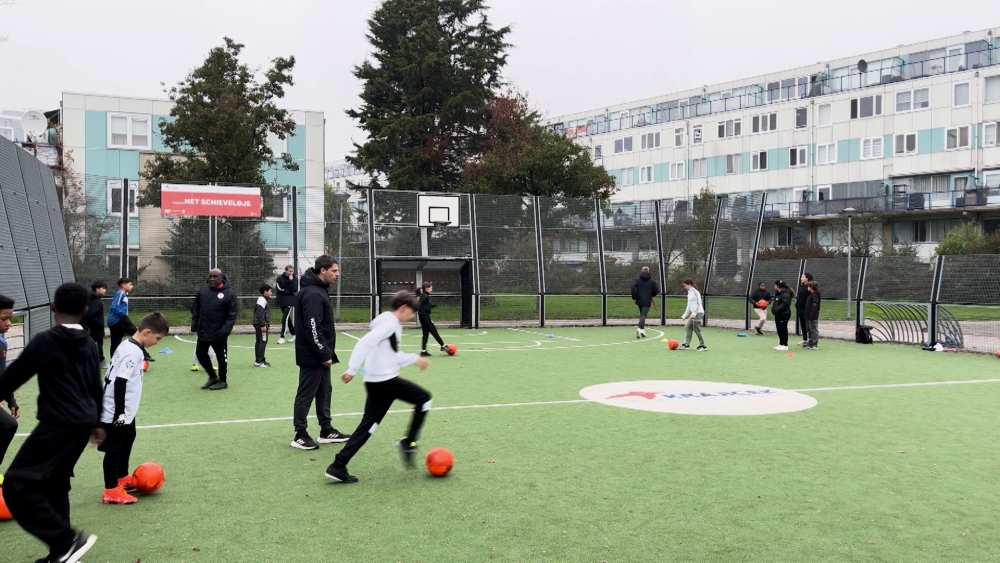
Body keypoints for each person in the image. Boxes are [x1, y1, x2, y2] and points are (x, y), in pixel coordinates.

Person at [0, 283, 103, 563]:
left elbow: (12, 378)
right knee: (55, 484)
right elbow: (96, 386)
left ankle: (67, 540)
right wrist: (98, 423)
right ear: (84, 310)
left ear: (53, 307)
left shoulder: (46, 341)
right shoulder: (89, 341)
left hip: (58, 425)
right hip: (82, 425)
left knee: (16, 485)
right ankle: (63, 554)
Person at [326, 291, 432, 484]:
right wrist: (352, 368)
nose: (410, 318)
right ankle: (408, 442)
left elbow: (391, 355)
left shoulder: (386, 323)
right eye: (410, 314)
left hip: (375, 381)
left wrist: (414, 359)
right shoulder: (390, 324)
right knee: (424, 399)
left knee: (368, 426)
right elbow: (365, 343)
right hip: (385, 381)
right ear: (403, 308)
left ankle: (338, 465)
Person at [99, 313, 169, 505]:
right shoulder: (133, 352)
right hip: (117, 409)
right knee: (114, 447)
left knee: (128, 437)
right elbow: (120, 382)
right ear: (147, 332)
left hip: (126, 409)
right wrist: (119, 412)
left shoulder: (128, 345)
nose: (157, 343)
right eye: (157, 338)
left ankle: (122, 476)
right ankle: (111, 489)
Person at [291, 256, 351, 450]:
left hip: (321, 353)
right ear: (323, 270)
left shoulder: (319, 290)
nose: (337, 274)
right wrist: (324, 352)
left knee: (325, 391)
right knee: (306, 394)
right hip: (313, 356)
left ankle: (326, 430)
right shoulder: (313, 294)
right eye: (334, 271)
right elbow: (312, 327)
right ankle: (300, 434)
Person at [191, 269, 237, 391]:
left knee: (221, 358)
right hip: (204, 330)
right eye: (210, 276)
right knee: (200, 354)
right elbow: (196, 308)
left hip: (219, 332)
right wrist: (195, 324)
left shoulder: (229, 293)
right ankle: (212, 377)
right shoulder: (203, 290)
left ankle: (222, 380)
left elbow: (232, 314)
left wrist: (225, 330)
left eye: (215, 277)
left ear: (221, 277)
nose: (212, 279)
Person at [0, 294, 19, 474]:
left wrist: (11, 400)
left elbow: (2, 373)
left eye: (10, 318)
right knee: (8, 425)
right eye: (4, 319)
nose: (8, 323)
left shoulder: (2, 342)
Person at [107, 277, 135, 360]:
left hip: (113, 321)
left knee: (115, 342)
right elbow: (114, 306)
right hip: (116, 320)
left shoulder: (122, 294)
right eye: (130, 284)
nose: (131, 286)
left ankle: (114, 361)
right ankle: (143, 355)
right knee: (136, 332)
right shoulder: (120, 293)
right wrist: (123, 315)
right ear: (123, 285)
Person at [416, 282, 446, 357]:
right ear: (427, 288)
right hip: (424, 317)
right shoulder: (424, 296)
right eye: (431, 288)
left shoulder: (425, 296)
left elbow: (425, 306)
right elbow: (419, 304)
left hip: (424, 317)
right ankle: (443, 345)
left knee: (425, 333)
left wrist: (432, 306)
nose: (432, 290)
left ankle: (423, 351)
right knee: (433, 330)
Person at [631, 266, 659, 339]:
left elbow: (633, 287)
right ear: (648, 271)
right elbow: (656, 290)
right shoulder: (652, 281)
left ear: (642, 271)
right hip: (647, 300)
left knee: (642, 314)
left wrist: (634, 297)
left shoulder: (637, 280)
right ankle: (639, 328)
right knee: (643, 315)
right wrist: (651, 295)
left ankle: (642, 330)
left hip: (639, 299)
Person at [83, 282, 107, 368]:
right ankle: (99, 362)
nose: (105, 290)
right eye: (103, 288)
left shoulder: (89, 299)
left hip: (88, 328)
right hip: (94, 329)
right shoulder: (95, 300)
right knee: (97, 345)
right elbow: (92, 315)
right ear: (97, 289)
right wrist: (100, 324)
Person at [679, 278, 707, 351]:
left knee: (696, 329)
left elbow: (699, 302)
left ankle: (703, 345)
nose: (684, 287)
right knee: (688, 326)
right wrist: (685, 315)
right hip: (694, 313)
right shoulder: (689, 292)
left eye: (685, 285)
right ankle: (686, 344)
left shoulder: (695, 292)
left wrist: (694, 313)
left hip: (698, 312)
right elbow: (689, 305)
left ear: (690, 284)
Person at [275, 265, 298, 344]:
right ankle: (294, 334)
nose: (291, 273)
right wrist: (287, 291)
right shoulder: (279, 278)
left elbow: (293, 290)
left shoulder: (294, 279)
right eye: (289, 271)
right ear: (286, 271)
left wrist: (291, 281)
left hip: (290, 302)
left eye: (292, 271)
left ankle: (282, 337)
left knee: (285, 318)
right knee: (288, 320)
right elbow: (279, 289)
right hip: (282, 301)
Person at [770, 281, 794, 351]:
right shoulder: (778, 293)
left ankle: (785, 345)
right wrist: (773, 310)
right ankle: (781, 343)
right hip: (778, 314)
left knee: (783, 329)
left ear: (777, 285)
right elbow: (776, 303)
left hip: (784, 314)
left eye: (775, 285)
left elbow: (785, 304)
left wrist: (777, 310)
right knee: (779, 329)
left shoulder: (786, 294)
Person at [253, 283, 272, 368]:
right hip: (260, 324)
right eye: (270, 291)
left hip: (259, 323)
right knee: (263, 341)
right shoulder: (262, 300)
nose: (271, 293)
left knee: (259, 340)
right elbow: (260, 313)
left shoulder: (262, 299)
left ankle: (258, 359)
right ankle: (259, 361)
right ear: (265, 292)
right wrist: (263, 324)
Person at [795, 272, 814, 342]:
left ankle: (811, 339)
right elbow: (799, 296)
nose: (801, 278)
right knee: (802, 323)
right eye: (801, 277)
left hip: (807, 308)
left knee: (808, 324)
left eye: (803, 277)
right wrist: (797, 303)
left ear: (807, 278)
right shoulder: (801, 286)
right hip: (800, 307)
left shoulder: (810, 287)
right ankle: (805, 338)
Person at [804, 280, 822, 350]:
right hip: (808, 315)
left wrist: (812, 315)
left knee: (813, 329)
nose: (807, 288)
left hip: (812, 316)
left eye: (808, 286)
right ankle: (810, 342)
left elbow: (815, 306)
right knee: (809, 329)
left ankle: (814, 343)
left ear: (811, 287)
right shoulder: (810, 295)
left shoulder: (815, 296)